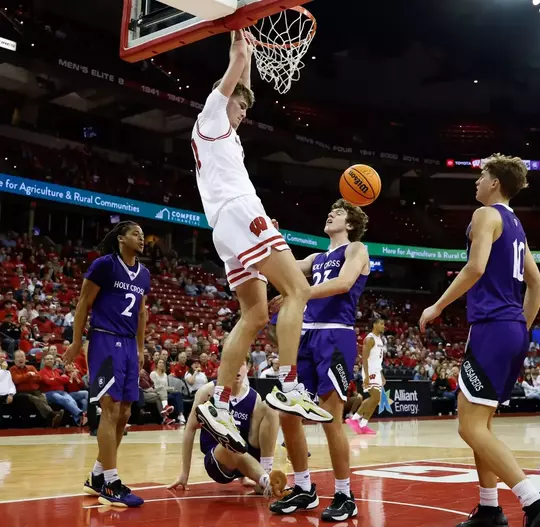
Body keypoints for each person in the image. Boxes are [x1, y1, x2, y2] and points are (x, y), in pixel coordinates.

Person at [191, 29, 331, 454]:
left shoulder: (226, 134)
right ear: (222, 100)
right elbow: (231, 85)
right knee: (298, 289)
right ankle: (289, 384)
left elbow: (243, 90)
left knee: (254, 315)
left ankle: (219, 400)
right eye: (239, 106)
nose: (244, 112)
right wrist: (238, 51)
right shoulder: (211, 118)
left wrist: (249, 49)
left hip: (226, 225)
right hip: (239, 212)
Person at [419, 154, 540, 527]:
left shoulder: (485, 215)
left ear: (495, 183)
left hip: (491, 327)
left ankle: (533, 501)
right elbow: (536, 282)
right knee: (480, 425)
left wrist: (437, 306)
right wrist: (522, 324)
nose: (476, 182)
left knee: (468, 427)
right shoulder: (516, 226)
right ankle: (489, 508)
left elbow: (475, 267)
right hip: (510, 329)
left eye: (482, 176)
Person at [269, 199, 370, 521]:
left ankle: (344, 494)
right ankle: (304, 488)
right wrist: (271, 239)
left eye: (338, 213)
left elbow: (343, 283)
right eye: (331, 210)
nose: (331, 214)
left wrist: (296, 294)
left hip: (335, 336)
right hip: (305, 334)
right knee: (287, 412)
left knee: (330, 415)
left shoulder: (356, 250)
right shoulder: (316, 258)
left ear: (350, 224)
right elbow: (282, 270)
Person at [63, 221, 151, 508]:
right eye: (135, 234)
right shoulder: (104, 265)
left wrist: (140, 348)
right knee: (110, 409)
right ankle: (111, 483)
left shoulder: (144, 274)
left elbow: (141, 313)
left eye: (142, 234)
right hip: (103, 340)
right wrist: (77, 342)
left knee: (125, 412)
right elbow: (83, 303)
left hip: (128, 344)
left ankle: (98, 476)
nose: (141, 238)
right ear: (121, 238)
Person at [168, 357, 286, 499]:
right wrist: (184, 473)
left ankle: (265, 474)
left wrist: (245, 475)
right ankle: (266, 480)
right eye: (232, 363)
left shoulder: (254, 397)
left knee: (270, 407)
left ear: (248, 367)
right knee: (230, 443)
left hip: (245, 455)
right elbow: (190, 430)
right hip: (218, 460)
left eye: (241, 364)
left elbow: (255, 435)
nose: (236, 368)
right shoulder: (208, 391)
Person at [346, 317, 386, 435]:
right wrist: (367, 375)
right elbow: (364, 358)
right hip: (370, 371)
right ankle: (354, 419)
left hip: (377, 371)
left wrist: (381, 374)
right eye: (381, 324)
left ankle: (363, 424)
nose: (384, 326)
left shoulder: (379, 339)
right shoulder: (369, 339)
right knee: (374, 397)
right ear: (374, 325)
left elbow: (377, 359)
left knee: (377, 399)